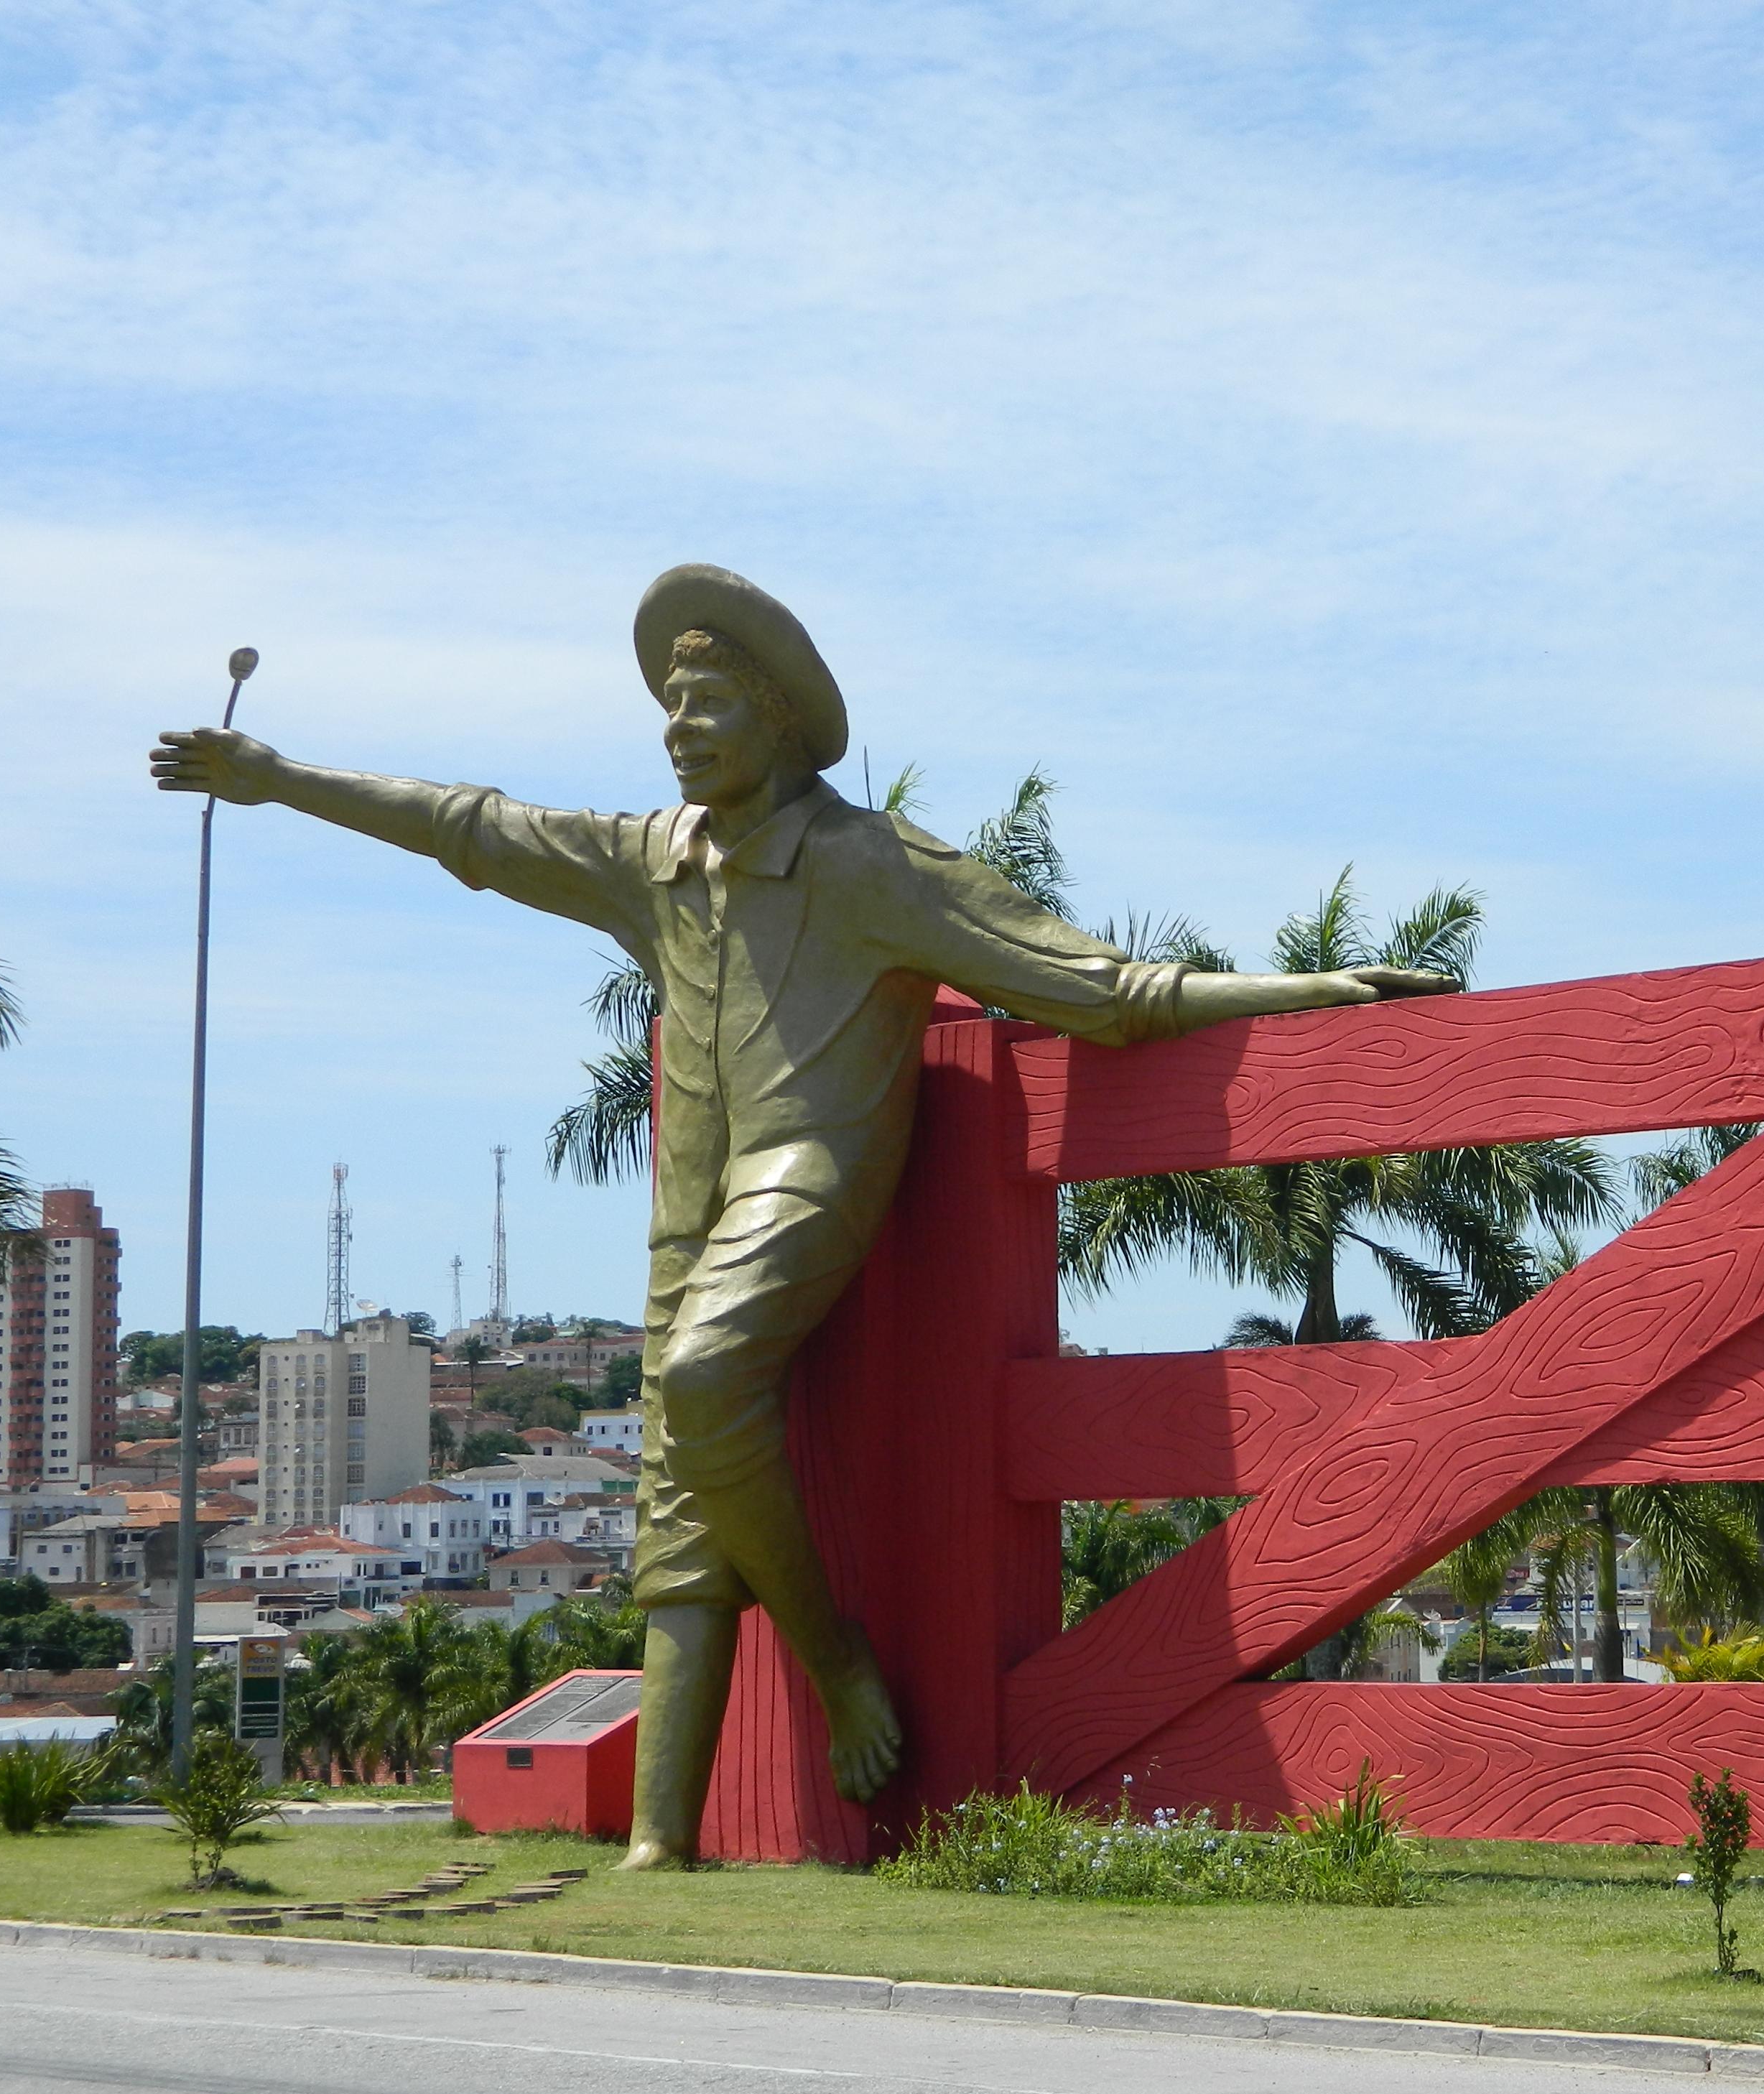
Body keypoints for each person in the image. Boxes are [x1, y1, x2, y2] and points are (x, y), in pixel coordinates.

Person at [153, 564, 1447, 1866]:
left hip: (812, 1178)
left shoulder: (865, 861)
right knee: (678, 1501)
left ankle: (838, 1666)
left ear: (778, 719)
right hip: (688, 1217)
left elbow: (1097, 985)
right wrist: (280, 777)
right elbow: (472, 826)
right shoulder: (652, 864)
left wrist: (1312, 990)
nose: (679, 727)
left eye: (708, 700)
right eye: (668, 707)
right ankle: (664, 1843)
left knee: (708, 1380)